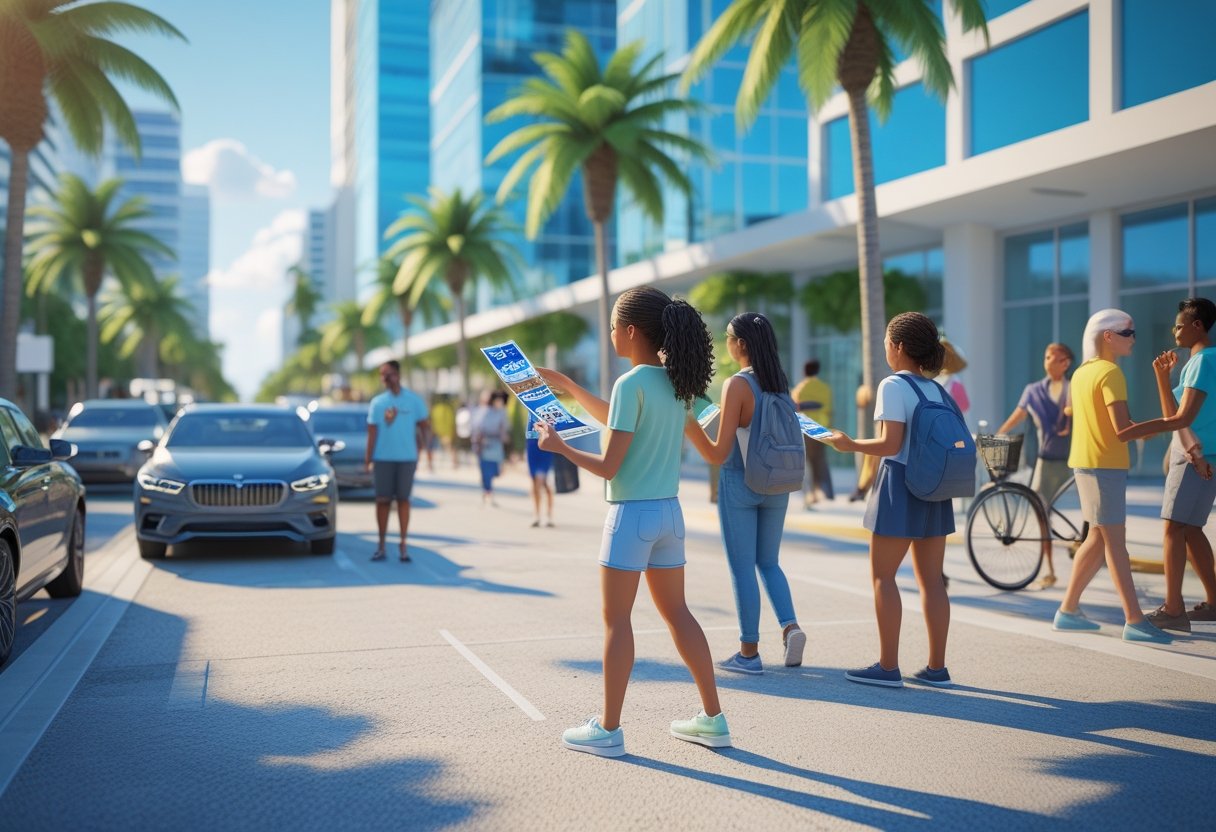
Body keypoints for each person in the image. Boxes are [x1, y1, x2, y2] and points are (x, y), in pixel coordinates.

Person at [535, 286, 730, 757]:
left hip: (630, 518)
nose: (609, 335)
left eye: (611, 328)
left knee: (617, 622)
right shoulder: (677, 384)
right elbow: (625, 422)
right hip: (669, 515)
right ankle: (713, 718)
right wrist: (570, 387)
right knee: (679, 615)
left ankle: (609, 728)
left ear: (629, 331)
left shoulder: (631, 385)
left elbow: (608, 466)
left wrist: (558, 446)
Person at [823, 312, 956, 689]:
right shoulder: (936, 389)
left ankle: (888, 666)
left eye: (886, 342)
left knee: (884, 576)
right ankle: (937, 668)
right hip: (937, 487)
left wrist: (848, 443)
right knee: (932, 580)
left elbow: (890, 445)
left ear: (898, 346)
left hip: (901, 484)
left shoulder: (893, 385)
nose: (885, 348)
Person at [686, 313, 806, 675]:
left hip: (740, 481)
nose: (726, 342)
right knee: (768, 562)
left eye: (728, 337)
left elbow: (719, 453)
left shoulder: (737, 385)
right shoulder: (779, 383)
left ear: (741, 345)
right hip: (777, 483)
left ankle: (749, 653)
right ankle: (790, 626)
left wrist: (689, 426)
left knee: (742, 569)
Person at [1052, 309, 1175, 644]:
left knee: (1097, 538)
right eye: (1128, 332)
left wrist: (1147, 429)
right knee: (1116, 545)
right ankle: (1135, 620)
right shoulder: (1110, 373)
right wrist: (1171, 423)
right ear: (1108, 336)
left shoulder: (1080, 374)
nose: (1134, 338)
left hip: (1085, 463)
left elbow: (1101, 420)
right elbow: (1124, 430)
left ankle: (1068, 610)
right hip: (1104, 466)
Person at [1146, 298, 1216, 632]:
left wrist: (1194, 454)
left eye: (1179, 324)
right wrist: (1163, 378)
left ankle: (1174, 609)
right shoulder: (1201, 362)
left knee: (1174, 528)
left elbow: (1178, 419)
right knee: (1190, 528)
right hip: (1202, 455)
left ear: (1197, 325)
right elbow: (1173, 412)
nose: (1175, 330)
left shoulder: (1203, 361)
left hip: (1193, 456)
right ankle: (1214, 602)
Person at [996, 343, 1075, 588]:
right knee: (1042, 514)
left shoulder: (1074, 388)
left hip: (1075, 459)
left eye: (1055, 357)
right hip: (1046, 460)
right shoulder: (1033, 391)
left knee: (1092, 512)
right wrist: (1000, 433)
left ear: (1066, 363)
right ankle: (1049, 571)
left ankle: (1079, 543)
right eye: (1046, 356)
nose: (1049, 360)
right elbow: (1018, 415)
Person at [365, 359, 429, 562]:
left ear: (398, 374)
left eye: (388, 374)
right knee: (382, 501)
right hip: (383, 459)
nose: (385, 378)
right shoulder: (377, 403)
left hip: (406, 459)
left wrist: (422, 447)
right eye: (382, 375)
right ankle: (382, 545)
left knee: (403, 501)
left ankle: (403, 545)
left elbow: (425, 426)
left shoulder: (413, 400)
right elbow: (372, 433)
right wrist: (368, 460)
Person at [791, 359, 834, 507]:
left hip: (805, 429)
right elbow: (828, 409)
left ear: (805, 371)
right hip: (822, 429)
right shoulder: (825, 388)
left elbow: (795, 408)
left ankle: (810, 494)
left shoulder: (800, 389)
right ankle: (823, 490)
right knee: (819, 460)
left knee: (806, 462)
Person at [472, 390, 508, 506]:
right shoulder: (481, 411)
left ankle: (487, 489)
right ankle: (487, 491)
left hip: (496, 444)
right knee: (485, 470)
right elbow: (476, 428)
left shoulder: (501, 412)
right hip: (484, 444)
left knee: (495, 471)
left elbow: (504, 428)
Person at [526, 411, 556, 527]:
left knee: (542, 481)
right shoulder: (529, 407)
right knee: (535, 482)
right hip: (532, 446)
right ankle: (537, 515)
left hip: (545, 447)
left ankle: (547, 516)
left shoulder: (548, 408)